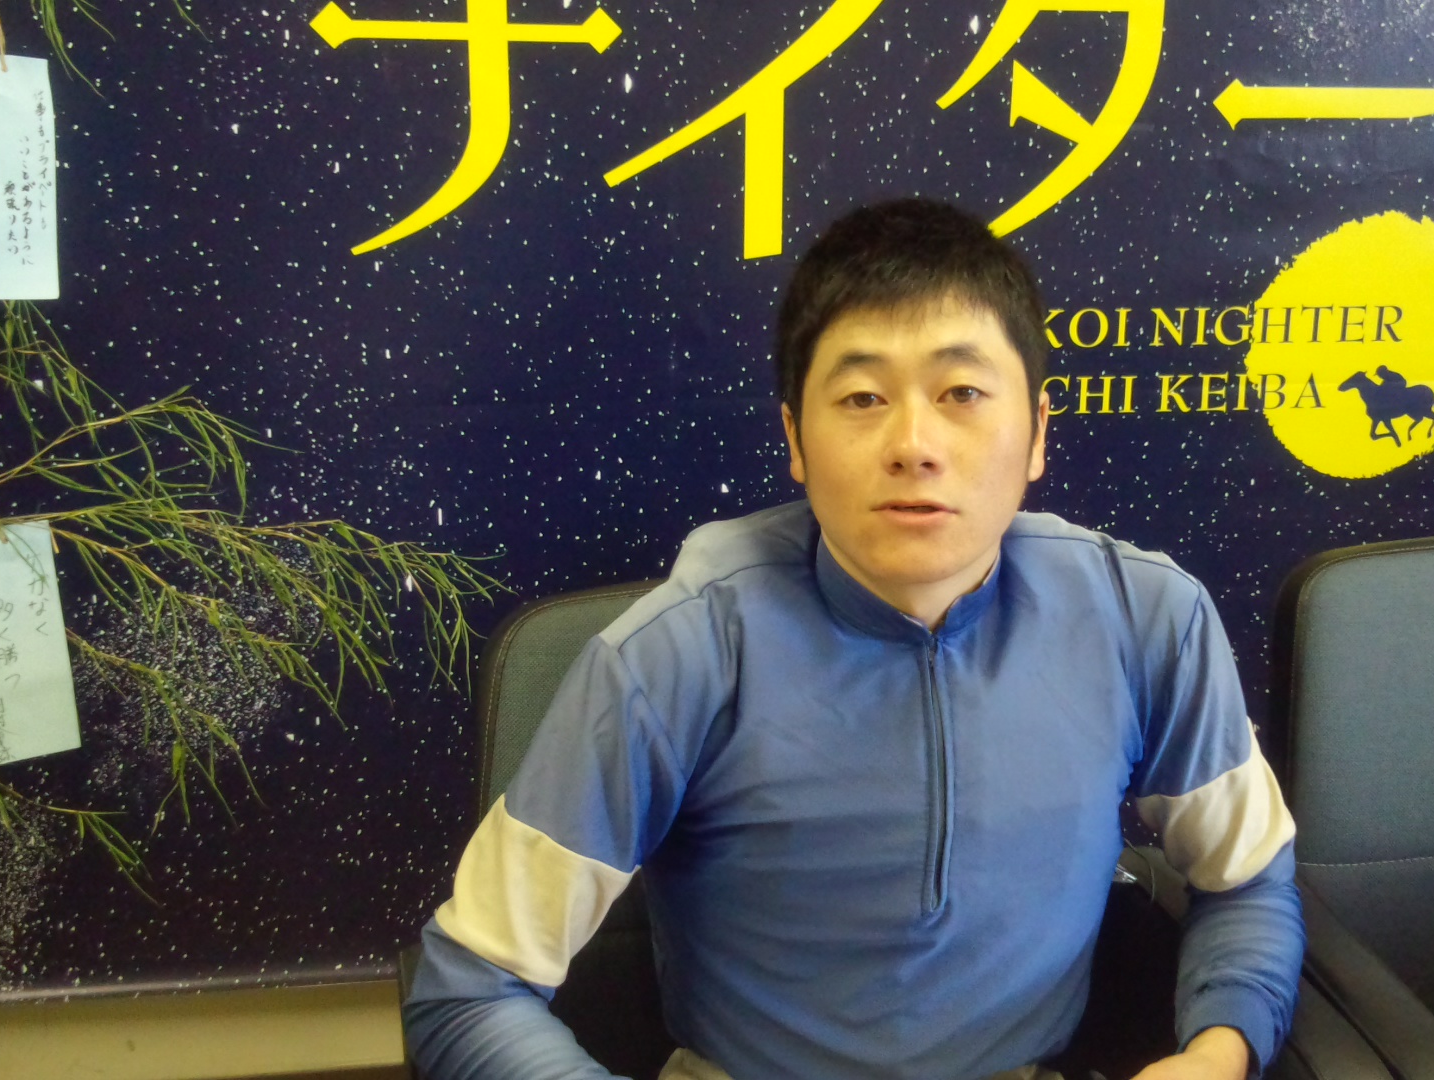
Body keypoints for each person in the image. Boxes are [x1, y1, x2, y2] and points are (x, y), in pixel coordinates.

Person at [404, 199, 1304, 1080]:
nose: (914, 444)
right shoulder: (676, 656)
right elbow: (470, 989)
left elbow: (1250, 882)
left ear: (1037, 432)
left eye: (962, 393)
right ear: (795, 437)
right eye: (863, 396)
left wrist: (1216, 1053)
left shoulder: (1145, 620)